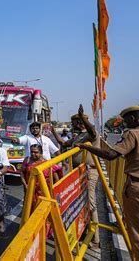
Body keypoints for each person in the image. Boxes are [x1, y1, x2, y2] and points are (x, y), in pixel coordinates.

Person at [76, 106, 139, 260]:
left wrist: (86, 148)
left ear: (135, 118)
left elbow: (111, 155)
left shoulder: (133, 134)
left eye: (127, 119)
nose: (124, 122)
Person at [51, 104, 100, 248]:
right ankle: (84, 231)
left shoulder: (91, 133)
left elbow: (91, 130)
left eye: (74, 123)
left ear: (79, 122)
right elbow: (63, 143)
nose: (72, 125)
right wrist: (53, 131)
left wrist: (82, 117)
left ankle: (95, 239)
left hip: (89, 171)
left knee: (90, 203)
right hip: (78, 171)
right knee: (80, 202)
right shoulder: (78, 136)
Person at [21, 144, 60, 211]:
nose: (33, 154)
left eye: (36, 152)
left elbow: (56, 178)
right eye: (32, 152)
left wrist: (53, 191)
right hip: (30, 189)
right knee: (28, 208)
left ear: (41, 153)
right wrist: (25, 185)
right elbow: (21, 172)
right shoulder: (27, 160)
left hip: (43, 191)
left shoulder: (46, 163)